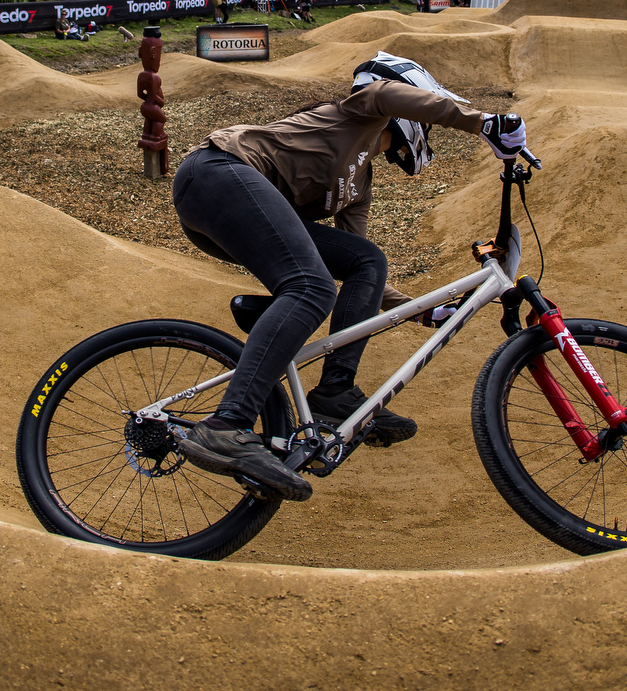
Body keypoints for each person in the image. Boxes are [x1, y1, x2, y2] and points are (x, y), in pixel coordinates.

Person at [168, 53, 531, 500]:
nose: (427, 128)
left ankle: (336, 390)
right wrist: (485, 123)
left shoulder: (358, 187)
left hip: (236, 209)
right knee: (310, 288)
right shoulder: (362, 110)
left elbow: (362, 275)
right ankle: (228, 424)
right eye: (425, 115)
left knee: (366, 261)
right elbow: (383, 92)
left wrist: (422, 310)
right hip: (217, 173)